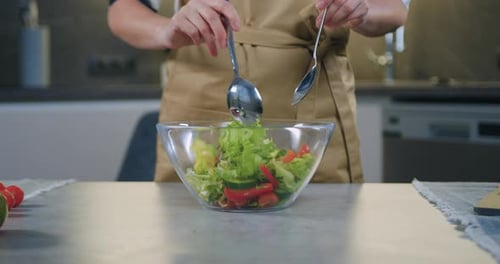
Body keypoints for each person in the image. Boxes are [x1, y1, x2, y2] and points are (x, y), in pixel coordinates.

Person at [108, 0, 407, 183]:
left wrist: (360, 10)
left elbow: (394, 9)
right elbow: (123, 7)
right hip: (200, 95)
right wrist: (165, 31)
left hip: (312, 102)